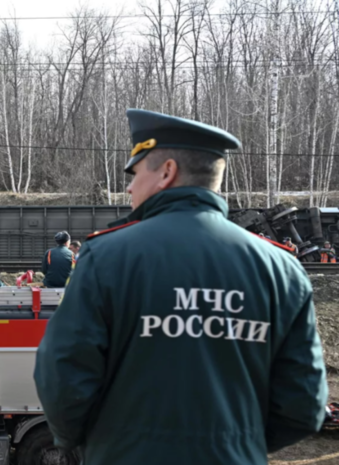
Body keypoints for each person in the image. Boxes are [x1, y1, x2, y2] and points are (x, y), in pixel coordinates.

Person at [34, 108, 327, 465]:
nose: (129, 186)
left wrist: (93, 443)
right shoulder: (281, 269)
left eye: (136, 172)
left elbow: (62, 374)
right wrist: (237, 442)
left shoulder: (106, 257)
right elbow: (304, 404)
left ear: (167, 172)